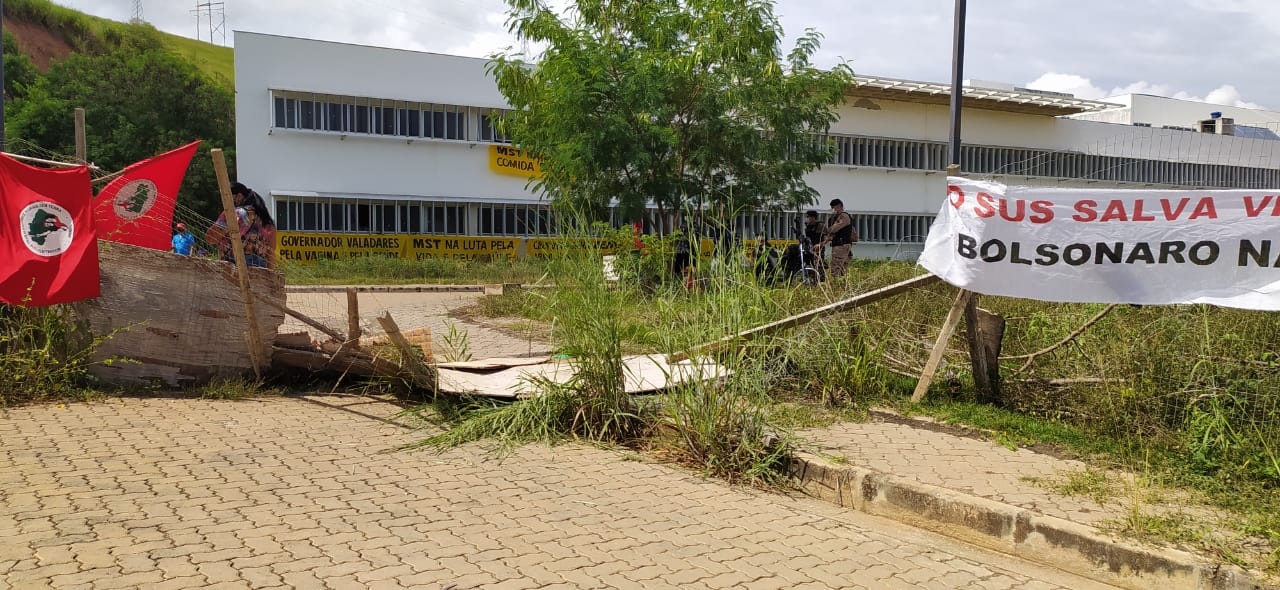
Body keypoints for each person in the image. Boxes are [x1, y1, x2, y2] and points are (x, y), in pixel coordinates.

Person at [206, 182, 277, 269]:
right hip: (260, 270)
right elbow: (271, 253)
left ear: (239, 196)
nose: (223, 201)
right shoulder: (268, 221)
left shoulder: (234, 214)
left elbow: (210, 238)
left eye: (225, 197)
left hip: (233, 268)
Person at [821, 198, 857, 279]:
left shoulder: (844, 216)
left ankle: (835, 286)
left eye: (835, 207)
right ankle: (841, 286)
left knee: (836, 269)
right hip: (841, 245)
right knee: (841, 271)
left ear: (840, 206)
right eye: (832, 208)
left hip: (841, 245)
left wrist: (828, 230)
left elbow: (834, 229)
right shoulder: (837, 217)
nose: (834, 210)